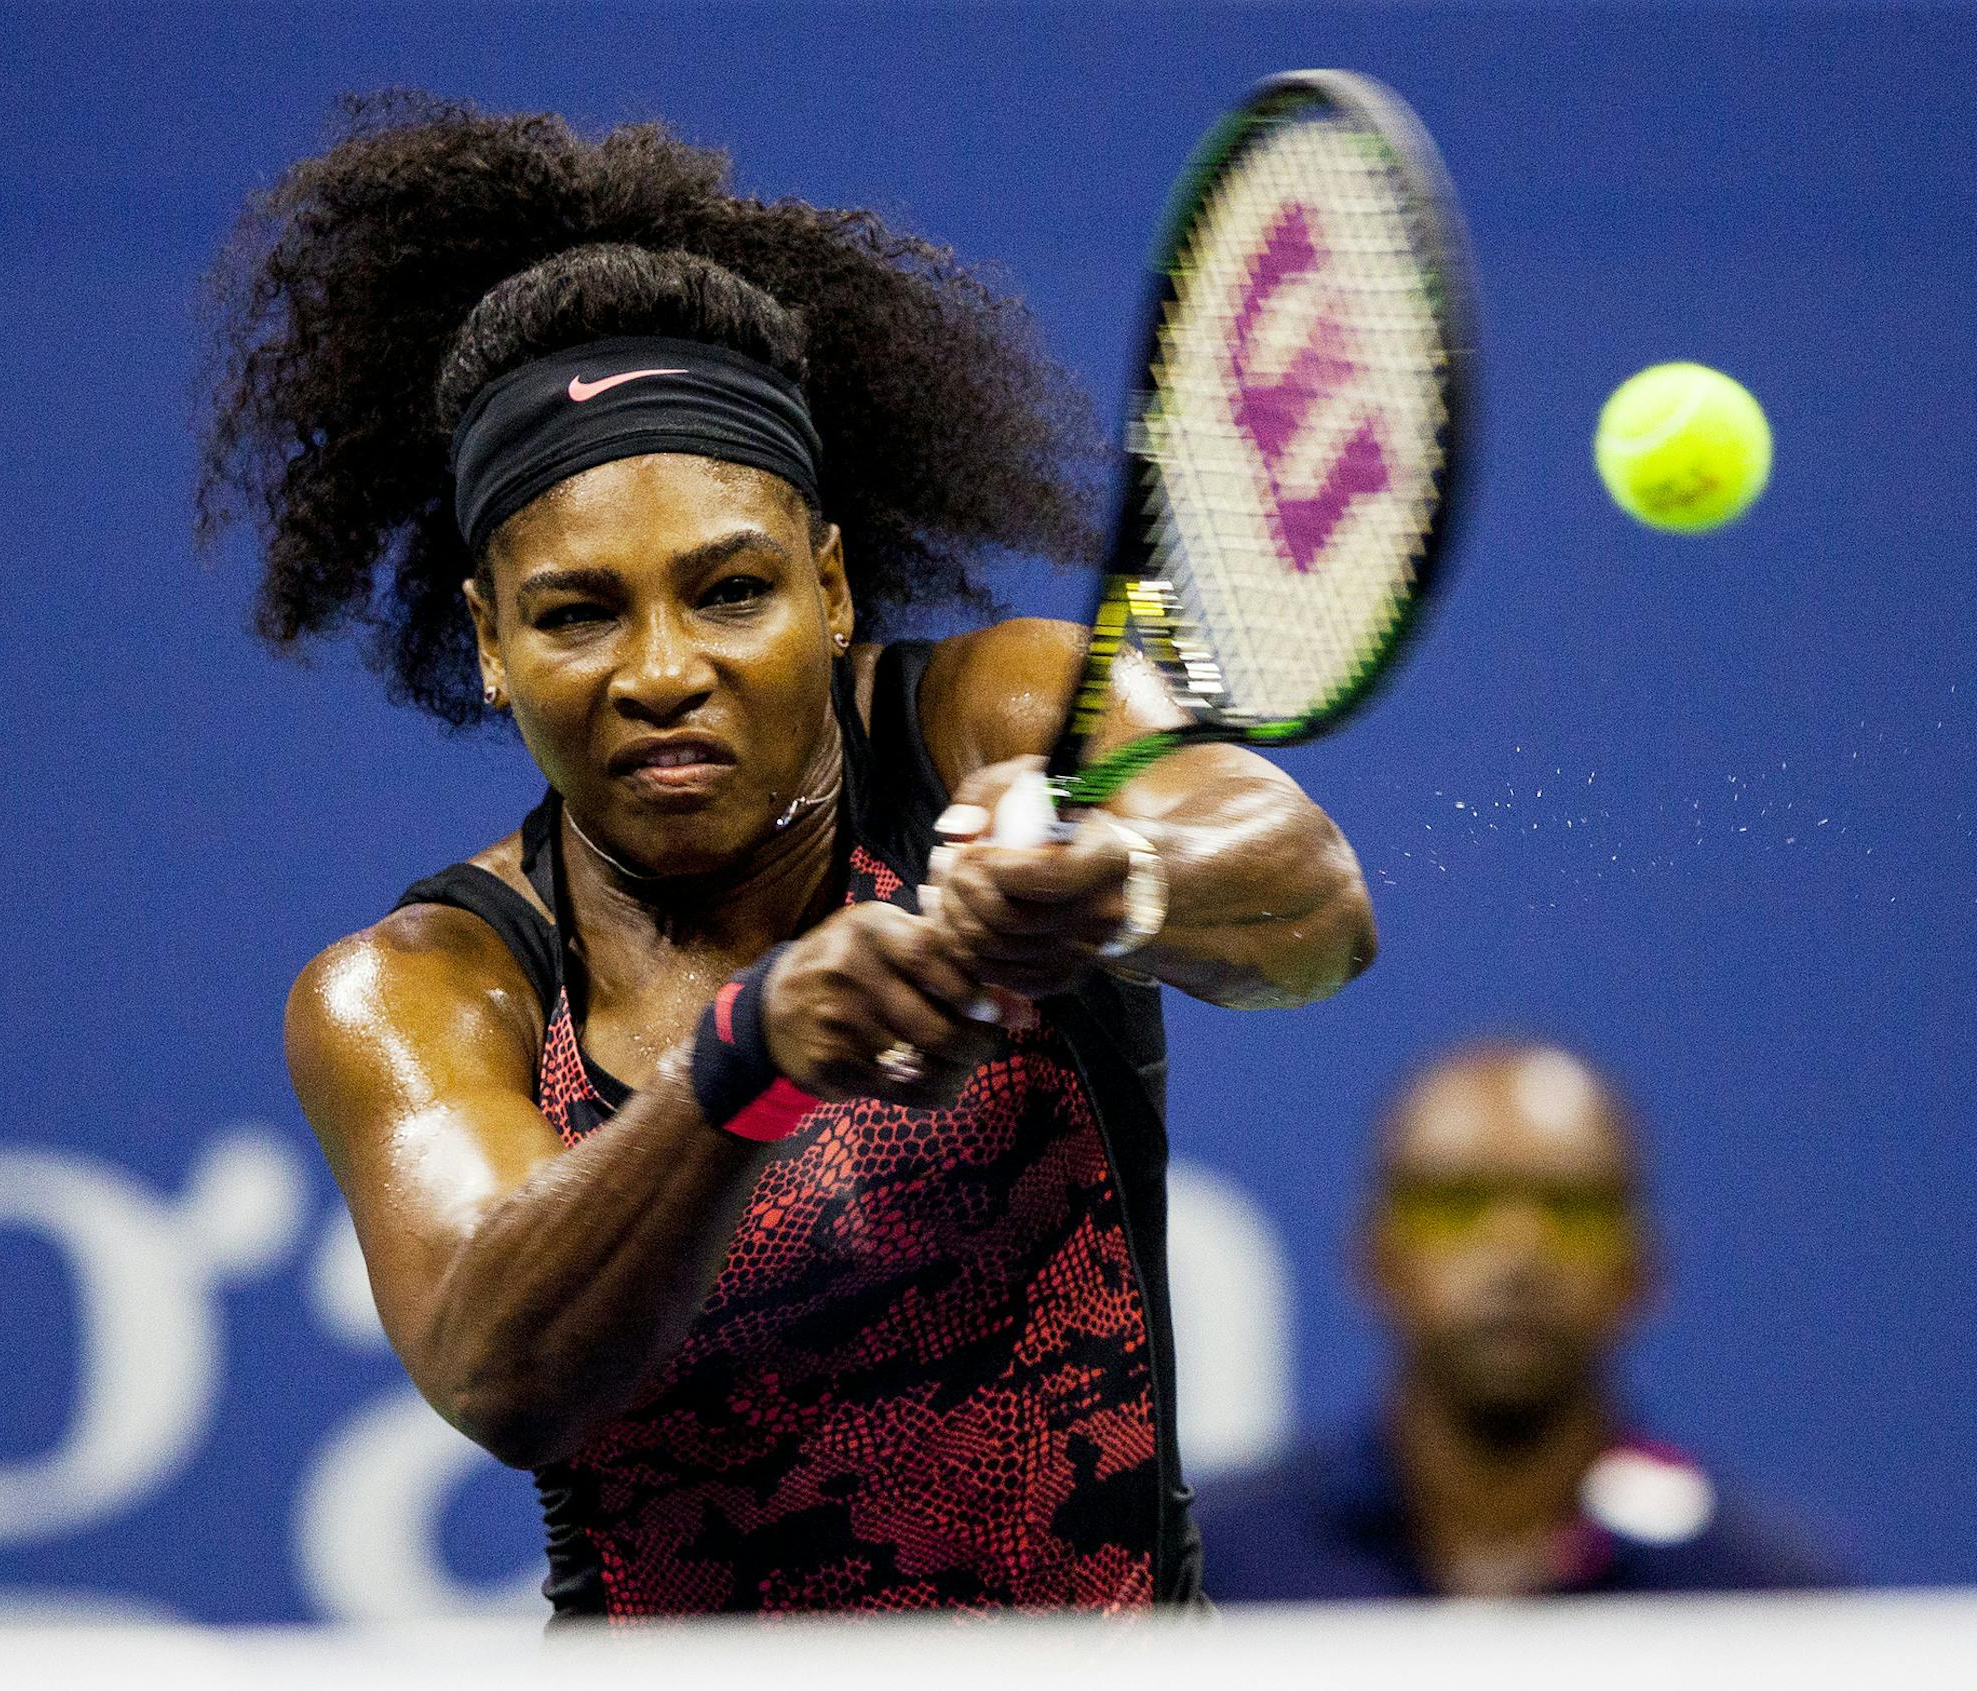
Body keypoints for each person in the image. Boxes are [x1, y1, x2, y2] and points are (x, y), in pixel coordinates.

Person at [197, 96, 1377, 1619]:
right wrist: (752, 1058)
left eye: (730, 588)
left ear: (829, 585)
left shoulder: (998, 712)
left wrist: (1112, 878)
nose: (661, 668)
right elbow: (502, 1368)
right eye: (576, 613)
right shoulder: (418, 987)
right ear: (489, 643)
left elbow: (1313, 909)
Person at [1199, 1041, 1845, 1602]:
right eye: (1456, 1204)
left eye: (1571, 1210)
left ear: (1639, 1273)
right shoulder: (1214, 1571)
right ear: (1376, 1258)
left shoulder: (1761, 1596)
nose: (1516, 1254)